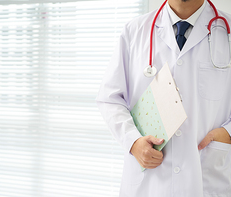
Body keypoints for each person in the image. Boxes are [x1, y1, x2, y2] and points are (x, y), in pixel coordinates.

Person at [96, 0, 231, 196]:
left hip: (205, 180)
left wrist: (228, 133)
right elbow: (109, 99)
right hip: (149, 185)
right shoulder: (134, 32)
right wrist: (133, 142)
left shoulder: (227, 32)